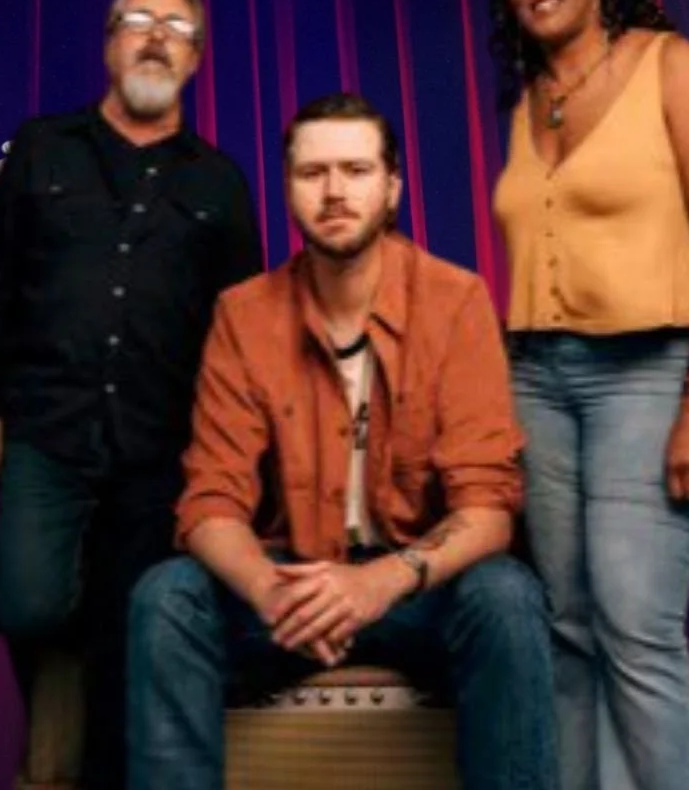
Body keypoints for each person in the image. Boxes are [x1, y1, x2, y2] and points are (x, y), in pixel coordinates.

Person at [127, 93, 558, 790]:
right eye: (313, 173)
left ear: (392, 188)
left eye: (355, 171)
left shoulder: (456, 300)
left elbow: (488, 510)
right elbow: (209, 504)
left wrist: (374, 584)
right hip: (287, 587)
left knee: (505, 597)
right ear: (289, 190)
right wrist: (271, 592)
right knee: (166, 597)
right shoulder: (243, 314)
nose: (334, 192)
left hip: (411, 587)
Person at [0, 0, 263, 790]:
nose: (157, 36)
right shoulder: (42, 148)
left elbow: (246, 331)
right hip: (45, 433)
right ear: (109, 43)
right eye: (139, 19)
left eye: (178, 28)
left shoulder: (219, 182)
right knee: (26, 604)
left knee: (134, 633)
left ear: (196, 59)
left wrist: (229, 454)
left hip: (160, 448)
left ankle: (87, 772)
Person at [486, 0, 689, 790]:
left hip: (658, 369)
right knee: (568, 626)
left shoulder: (670, 66)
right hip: (540, 379)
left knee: (637, 625)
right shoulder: (529, 104)